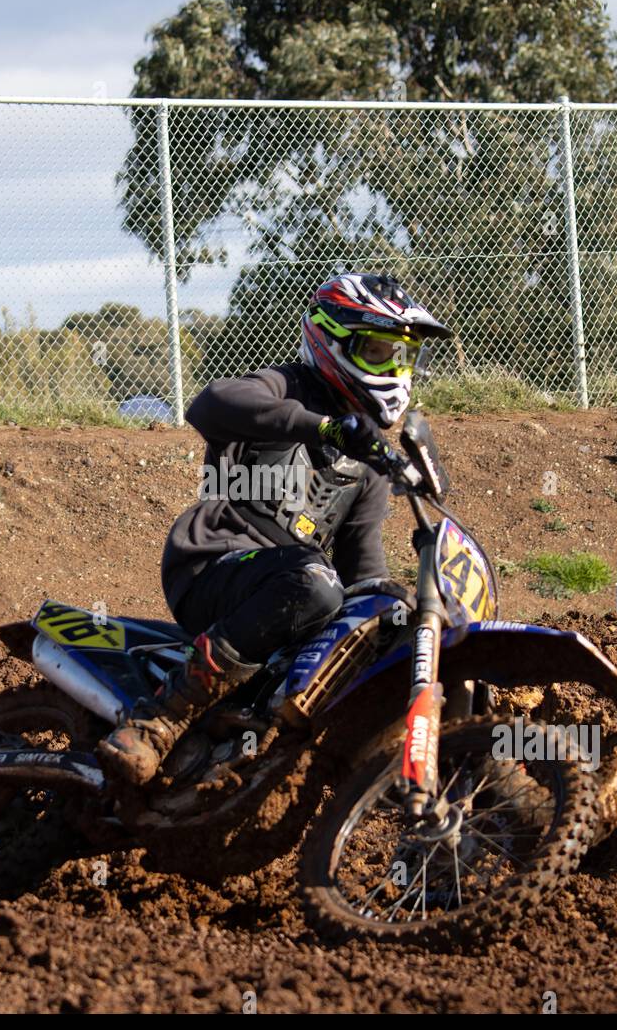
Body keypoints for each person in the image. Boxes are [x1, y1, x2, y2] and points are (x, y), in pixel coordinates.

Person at [97, 272, 444, 786]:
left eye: (402, 356)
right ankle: (158, 719)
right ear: (332, 339)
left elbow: (361, 567)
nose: (394, 368)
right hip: (213, 565)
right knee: (314, 582)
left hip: (293, 596)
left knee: (385, 609)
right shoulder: (287, 388)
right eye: (377, 351)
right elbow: (210, 404)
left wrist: (393, 605)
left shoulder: (367, 466)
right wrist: (322, 426)